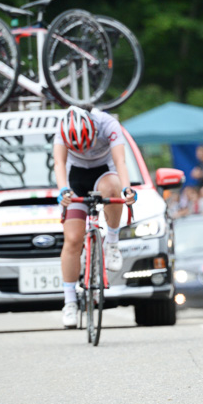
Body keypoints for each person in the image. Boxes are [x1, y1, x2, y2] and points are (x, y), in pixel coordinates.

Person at [54, 106, 137, 328]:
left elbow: (120, 162)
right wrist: (63, 190)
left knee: (113, 187)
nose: (84, 150)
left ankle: (111, 242)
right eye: (77, 148)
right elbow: (59, 163)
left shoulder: (107, 124)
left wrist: (127, 190)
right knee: (72, 239)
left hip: (104, 171)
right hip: (76, 177)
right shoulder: (62, 128)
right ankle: (70, 302)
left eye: (88, 145)